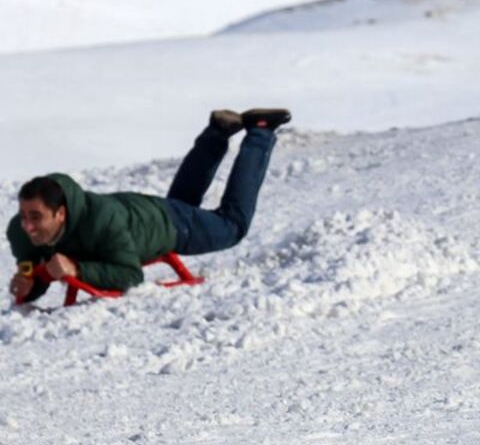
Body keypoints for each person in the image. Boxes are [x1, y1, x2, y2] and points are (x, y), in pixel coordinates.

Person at [8, 108, 291, 303]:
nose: (28, 226)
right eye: (23, 216)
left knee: (233, 226)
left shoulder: (101, 223)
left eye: (36, 217)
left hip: (166, 225)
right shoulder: (21, 231)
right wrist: (31, 285)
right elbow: (33, 265)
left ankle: (260, 131)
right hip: (141, 211)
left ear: (61, 213)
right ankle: (219, 131)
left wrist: (78, 269)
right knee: (181, 204)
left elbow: (130, 274)